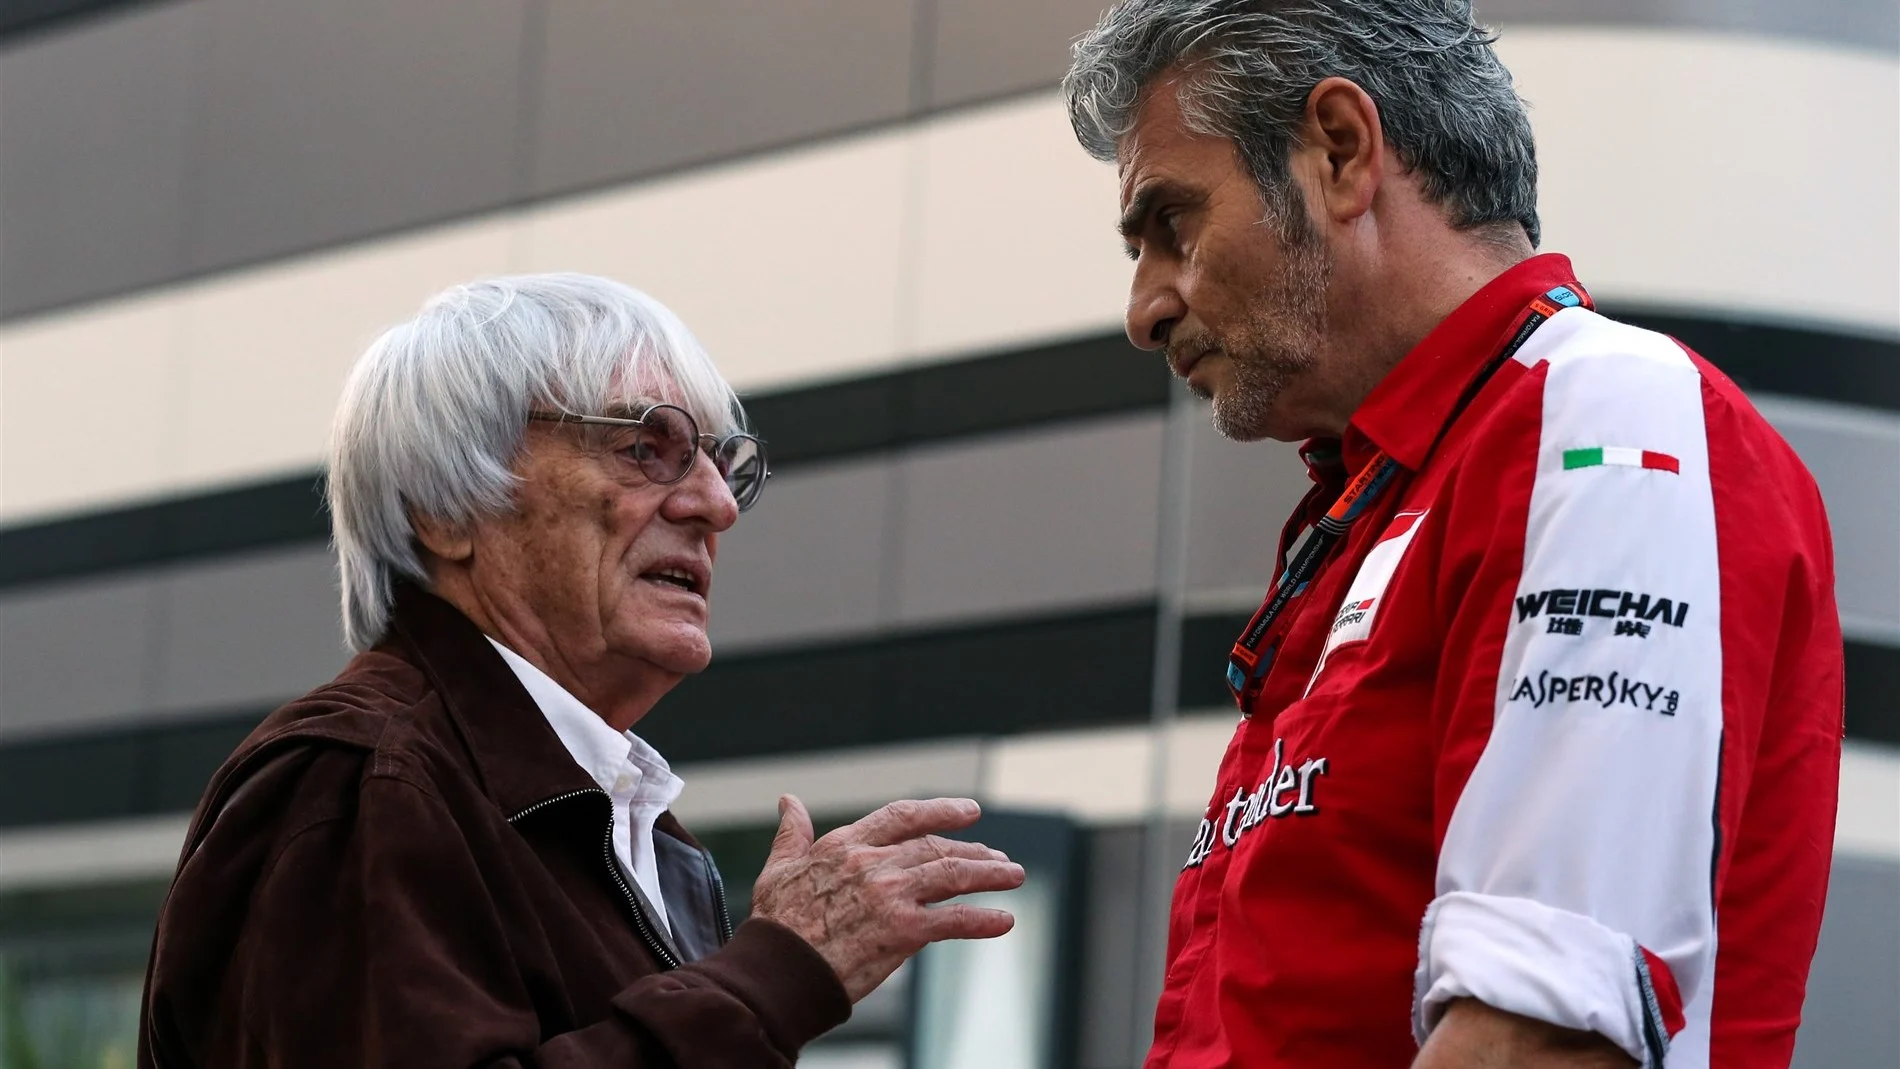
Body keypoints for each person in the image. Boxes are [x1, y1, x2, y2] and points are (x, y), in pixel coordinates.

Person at [1063, 3, 1842, 1067]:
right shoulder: (1400, 490)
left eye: (1172, 224)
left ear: (1340, 150)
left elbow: (1542, 1034)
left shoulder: (1601, 415)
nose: (1145, 306)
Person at [137, 273, 1026, 1068]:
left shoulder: (639, 835)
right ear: (446, 510)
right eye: (647, 446)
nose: (716, 505)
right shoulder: (354, 780)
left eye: (723, 463)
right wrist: (774, 971)